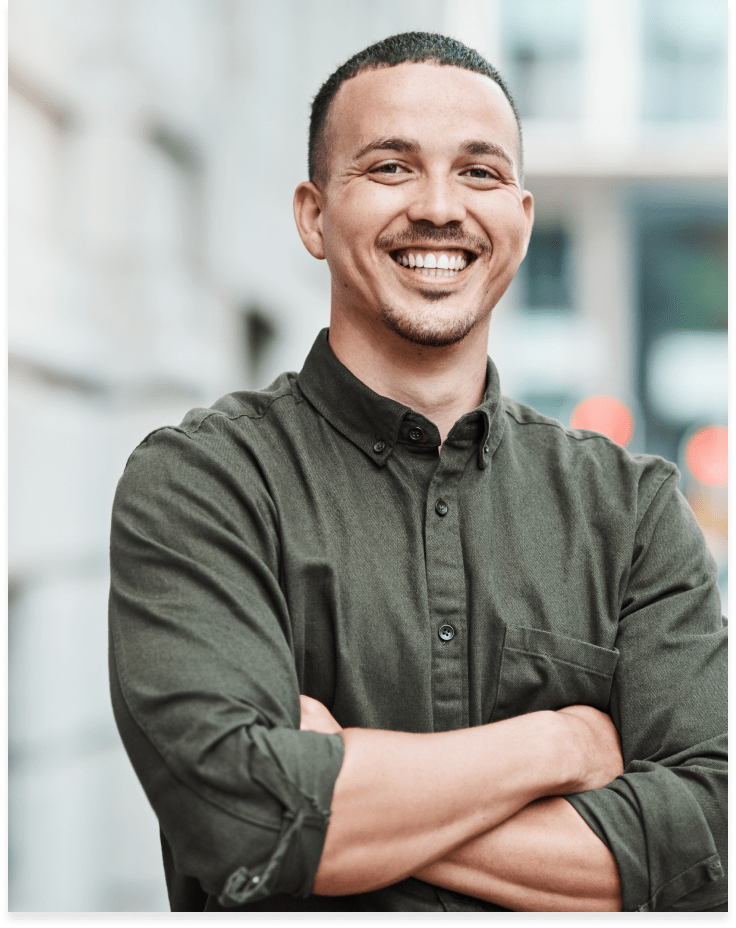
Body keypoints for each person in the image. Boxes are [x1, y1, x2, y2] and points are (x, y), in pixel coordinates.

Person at [108, 33, 727, 914]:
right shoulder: (206, 484)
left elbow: (707, 834)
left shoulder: (632, 511)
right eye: (392, 167)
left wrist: (343, 791)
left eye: (478, 173)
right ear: (313, 214)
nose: (440, 208)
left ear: (520, 213)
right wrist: (563, 748)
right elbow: (243, 819)